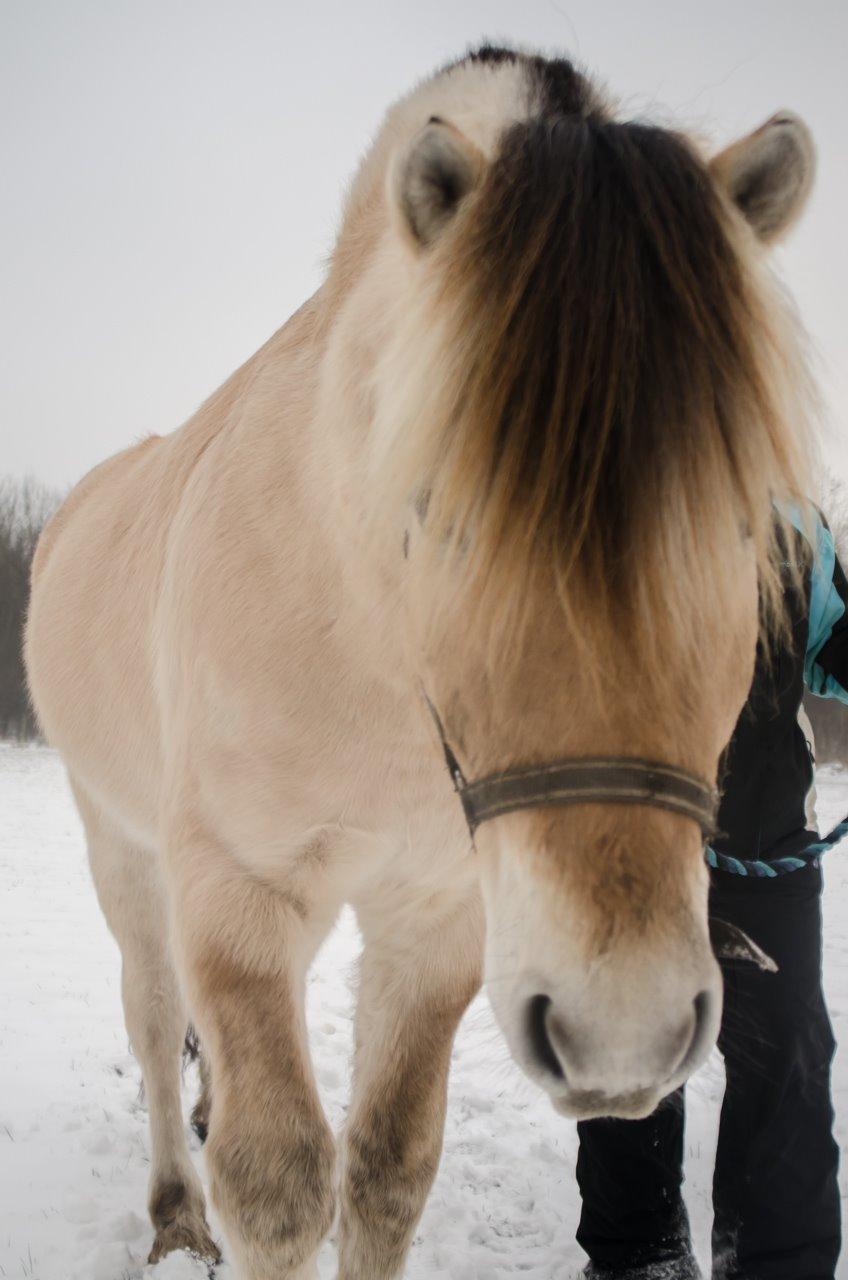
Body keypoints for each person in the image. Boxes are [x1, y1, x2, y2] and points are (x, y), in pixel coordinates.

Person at [576, 504, 844, 1280]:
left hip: (767, 842)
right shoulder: (592, 495)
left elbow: (827, 640)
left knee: (785, 1059)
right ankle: (638, 1256)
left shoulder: (793, 524)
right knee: (629, 1044)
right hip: (623, 839)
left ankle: (774, 1263)